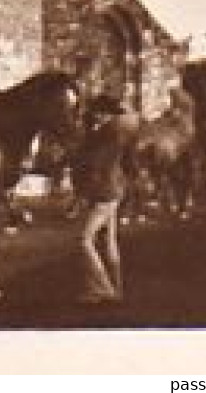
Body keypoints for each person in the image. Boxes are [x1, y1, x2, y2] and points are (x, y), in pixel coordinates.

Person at [72, 94, 130, 303]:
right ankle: (117, 288)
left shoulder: (105, 135)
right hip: (113, 190)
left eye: (96, 112)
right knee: (108, 241)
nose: (93, 115)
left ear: (103, 114)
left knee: (84, 240)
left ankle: (102, 288)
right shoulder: (116, 132)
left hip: (104, 192)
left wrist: (81, 195)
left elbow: (95, 166)